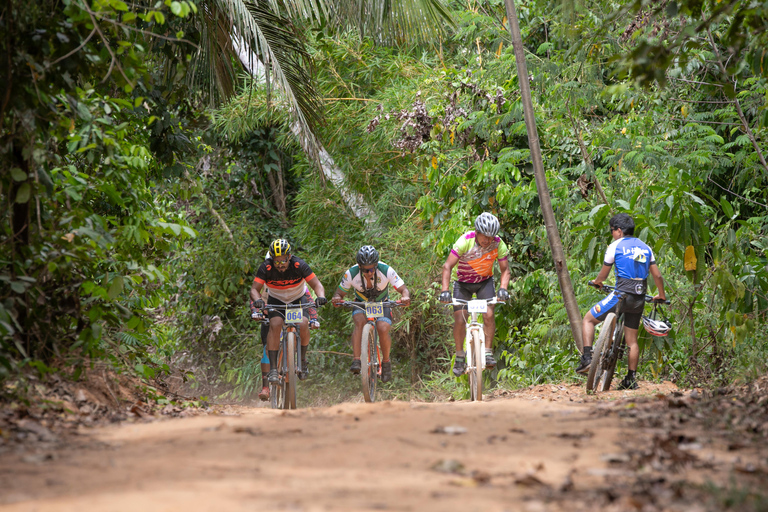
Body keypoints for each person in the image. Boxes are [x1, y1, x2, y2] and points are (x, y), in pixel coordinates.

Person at [575, 213, 666, 390]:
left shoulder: (615, 246)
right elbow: (658, 275)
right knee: (632, 340)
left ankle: (586, 358)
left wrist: (597, 282)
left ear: (618, 230)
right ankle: (630, 379)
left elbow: (604, 274)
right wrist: (661, 295)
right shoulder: (646, 247)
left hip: (620, 296)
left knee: (588, 319)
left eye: (612, 231)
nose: (612, 234)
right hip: (639, 299)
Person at [439, 213, 511, 377]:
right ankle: (459, 356)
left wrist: (503, 288)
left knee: (489, 314)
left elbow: (505, 269)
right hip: (462, 284)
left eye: (490, 237)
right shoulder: (465, 241)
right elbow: (447, 267)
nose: (488, 240)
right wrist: (445, 291)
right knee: (459, 318)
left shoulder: (498, 244)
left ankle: (487, 352)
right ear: (477, 232)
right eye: (484, 236)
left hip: (484, 282)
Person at [250, 239, 326, 384]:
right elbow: (254, 289)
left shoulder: (299, 265)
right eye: (276, 262)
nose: (280, 265)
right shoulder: (266, 268)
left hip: (297, 300)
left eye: (283, 261)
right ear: (271, 259)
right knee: (275, 324)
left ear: (289, 257)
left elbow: (316, 284)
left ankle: (302, 360)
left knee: (303, 323)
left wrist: (321, 296)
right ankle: (273, 369)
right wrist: (257, 300)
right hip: (276, 301)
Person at [331, 245, 410, 383]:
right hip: (361, 303)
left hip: (382, 303)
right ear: (360, 267)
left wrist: (405, 297)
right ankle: (356, 360)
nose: (369, 273)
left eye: (372, 269)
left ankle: (386, 362)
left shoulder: (386, 270)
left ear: (376, 265)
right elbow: (339, 293)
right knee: (359, 322)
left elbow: (404, 289)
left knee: (383, 328)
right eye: (365, 270)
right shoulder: (351, 273)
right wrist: (337, 298)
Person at [250, 282, 320, 401]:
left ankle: (299, 360)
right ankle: (265, 387)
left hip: (291, 314)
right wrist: (255, 312)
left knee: (301, 328)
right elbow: (254, 297)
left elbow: (309, 299)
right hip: (270, 314)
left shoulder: (295, 281)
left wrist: (313, 318)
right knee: (267, 347)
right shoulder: (266, 282)